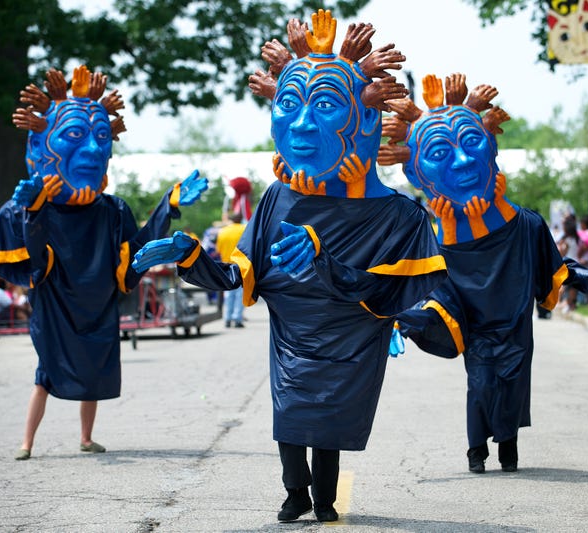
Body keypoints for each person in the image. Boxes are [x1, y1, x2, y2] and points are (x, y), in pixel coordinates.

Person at [133, 11, 445, 523]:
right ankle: (294, 493)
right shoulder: (278, 198)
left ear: (364, 119)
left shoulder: (396, 214)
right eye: (289, 103)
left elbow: (410, 291)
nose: (301, 124)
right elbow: (240, 276)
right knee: (292, 418)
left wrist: (387, 310)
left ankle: (323, 500)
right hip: (292, 336)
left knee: (331, 423)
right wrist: (189, 252)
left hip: (349, 337)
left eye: (324, 105)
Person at [378, 72, 588, 474]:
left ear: (491, 148)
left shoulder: (525, 227)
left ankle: (508, 450)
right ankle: (477, 452)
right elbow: (420, 293)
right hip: (475, 333)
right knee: (481, 385)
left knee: (511, 389)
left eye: (472, 142)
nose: (461, 161)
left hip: (515, 332)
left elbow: (573, 275)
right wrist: (396, 320)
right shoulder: (436, 242)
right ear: (418, 174)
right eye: (439, 152)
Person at [0, 66, 208, 461]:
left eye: (101, 136)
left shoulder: (110, 210)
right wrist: (34, 214)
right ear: (39, 145)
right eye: (74, 135)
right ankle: (27, 443)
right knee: (46, 374)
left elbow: (133, 252)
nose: (92, 149)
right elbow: (33, 266)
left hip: (97, 307)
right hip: (55, 309)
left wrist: (167, 204)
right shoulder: (20, 211)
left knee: (92, 375)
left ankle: (86, 437)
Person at [215, 212, 246, 327]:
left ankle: (227, 318)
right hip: (241, 265)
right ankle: (237, 318)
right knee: (240, 294)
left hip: (226, 265)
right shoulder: (245, 229)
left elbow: (218, 250)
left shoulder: (223, 231)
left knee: (228, 294)